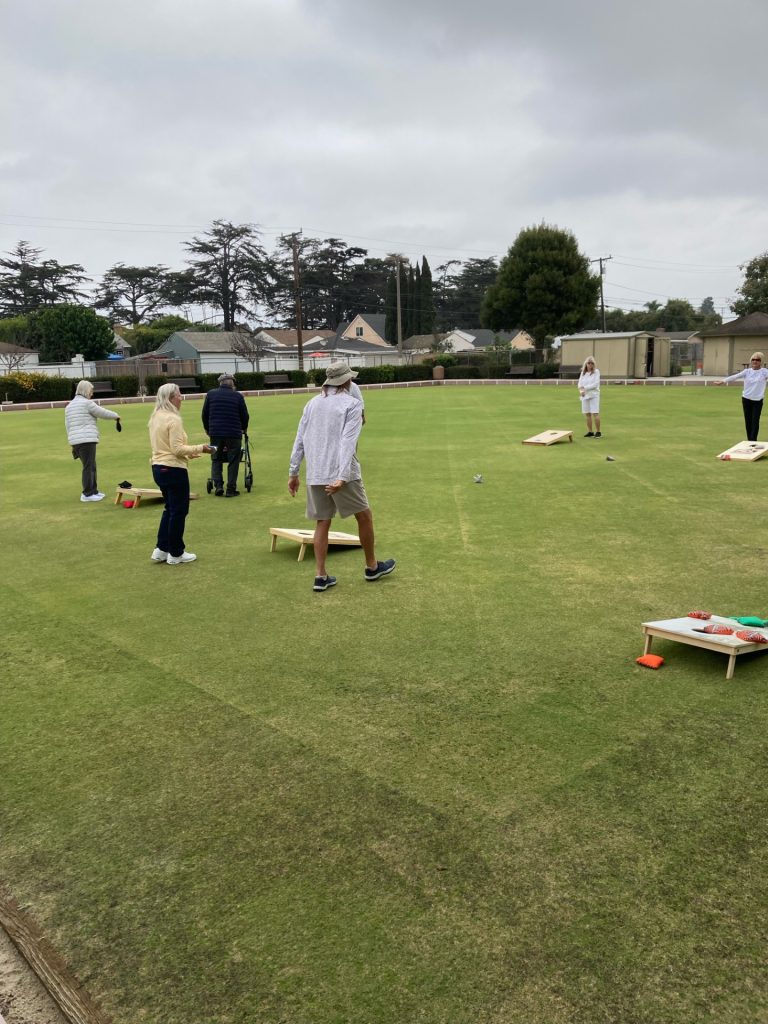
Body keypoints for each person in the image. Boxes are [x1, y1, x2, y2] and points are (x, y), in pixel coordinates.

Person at [288, 360, 395, 592]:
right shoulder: (352, 404)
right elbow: (348, 442)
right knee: (364, 516)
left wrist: (293, 472)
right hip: (341, 472)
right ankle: (372, 567)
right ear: (347, 381)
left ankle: (320, 576)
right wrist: (343, 477)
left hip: (315, 472)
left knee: (322, 521)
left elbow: (299, 439)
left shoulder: (311, 404)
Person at [149, 383, 215, 565]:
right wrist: (201, 448)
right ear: (171, 398)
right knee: (178, 511)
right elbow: (177, 449)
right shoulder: (173, 419)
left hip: (158, 467)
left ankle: (161, 549)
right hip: (173, 469)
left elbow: (168, 447)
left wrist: (190, 453)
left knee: (170, 508)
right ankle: (176, 552)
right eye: (178, 395)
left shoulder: (155, 416)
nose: (181, 398)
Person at [65, 379, 122, 502]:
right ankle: (87, 494)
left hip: (76, 441)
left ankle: (93, 491)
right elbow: (102, 412)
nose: (92, 394)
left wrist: (71, 441)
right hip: (86, 439)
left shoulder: (69, 406)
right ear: (85, 391)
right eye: (91, 391)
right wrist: (116, 416)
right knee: (88, 466)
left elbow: (67, 425)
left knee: (91, 465)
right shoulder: (87, 403)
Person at [201, 373, 250, 496]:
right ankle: (231, 489)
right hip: (234, 433)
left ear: (220, 383)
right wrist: (244, 428)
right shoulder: (238, 396)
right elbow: (245, 416)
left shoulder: (211, 394)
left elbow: (204, 414)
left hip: (215, 433)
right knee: (234, 460)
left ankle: (218, 486)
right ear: (232, 383)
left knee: (216, 458)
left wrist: (208, 429)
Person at [713, 352, 768, 441]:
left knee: (755, 421)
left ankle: (753, 440)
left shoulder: (764, 372)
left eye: (757, 360)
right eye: (753, 359)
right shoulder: (747, 371)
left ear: (761, 362)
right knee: (748, 420)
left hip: (757, 400)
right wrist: (723, 381)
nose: (755, 361)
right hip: (746, 399)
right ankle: (749, 440)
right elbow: (735, 376)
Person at [578, 356, 601, 437]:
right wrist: (581, 391)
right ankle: (590, 432)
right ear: (586, 364)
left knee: (595, 413)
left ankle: (598, 432)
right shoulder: (583, 373)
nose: (590, 365)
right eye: (588, 363)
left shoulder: (596, 372)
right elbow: (580, 384)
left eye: (592, 363)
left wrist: (585, 388)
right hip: (585, 395)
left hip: (594, 395)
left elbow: (595, 384)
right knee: (587, 414)